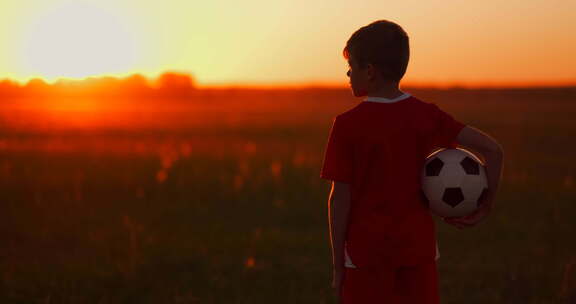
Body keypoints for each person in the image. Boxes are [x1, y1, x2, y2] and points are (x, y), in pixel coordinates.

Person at [320, 19, 504, 303]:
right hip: (418, 254)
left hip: (364, 259)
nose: (347, 73)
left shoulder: (346, 125)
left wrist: (337, 266)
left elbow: (338, 200)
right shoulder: (426, 115)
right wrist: (485, 205)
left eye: (352, 66)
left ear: (369, 71)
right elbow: (493, 151)